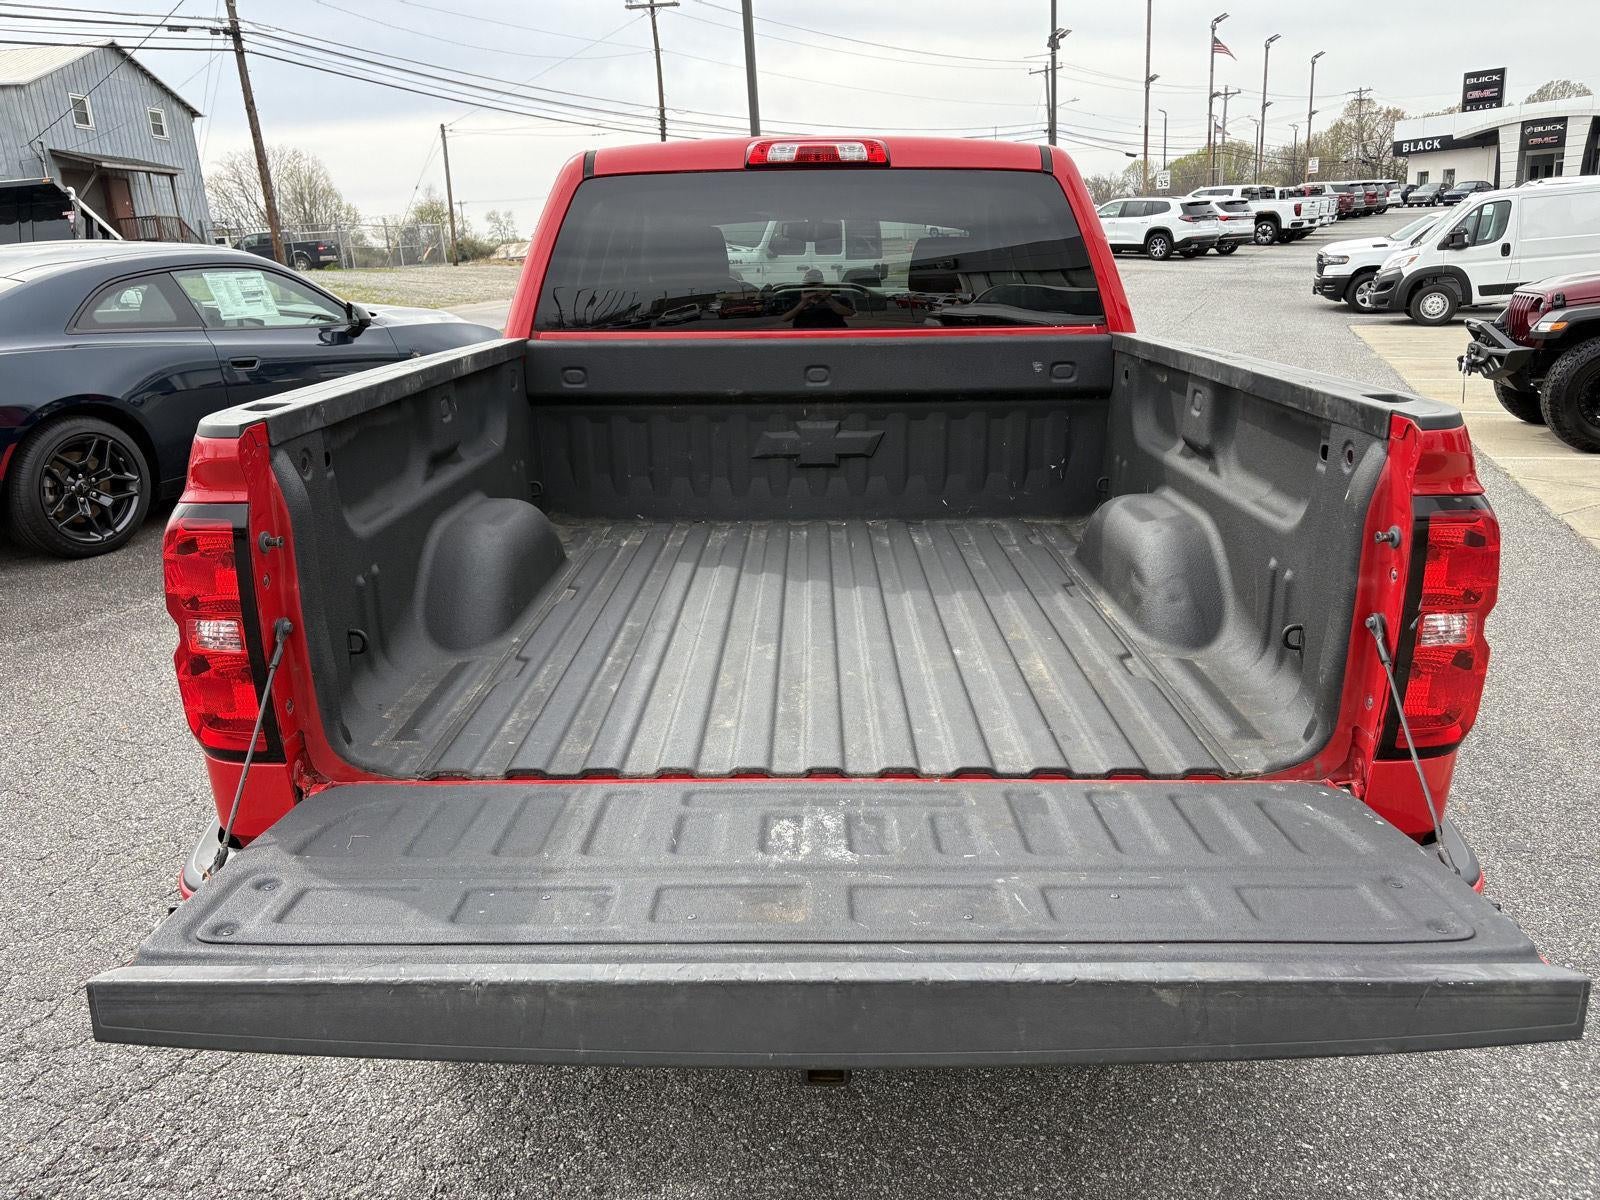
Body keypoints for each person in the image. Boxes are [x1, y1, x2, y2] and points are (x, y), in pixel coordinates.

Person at [781, 268, 855, 329]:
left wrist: (829, 299)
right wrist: (803, 303)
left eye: (816, 284)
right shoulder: (796, 301)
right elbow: (784, 318)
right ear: (805, 286)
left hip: (833, 336)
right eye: (810, 285)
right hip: (804, 337)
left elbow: (851, 313)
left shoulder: (838, 299)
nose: (813, 287)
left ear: (823, 284)